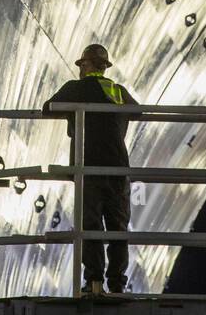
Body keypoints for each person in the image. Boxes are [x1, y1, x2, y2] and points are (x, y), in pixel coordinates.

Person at [42, 43, 139, 295]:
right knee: (118, 227)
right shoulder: (117, 90)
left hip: (89, 168)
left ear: (85, 66)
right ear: (104, 68)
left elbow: (47, 108)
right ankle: (117, 283)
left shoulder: (76, 88)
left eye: (82, 64)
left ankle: (94, 281)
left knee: (91, 225)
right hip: (118, 168)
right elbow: (137, 111)